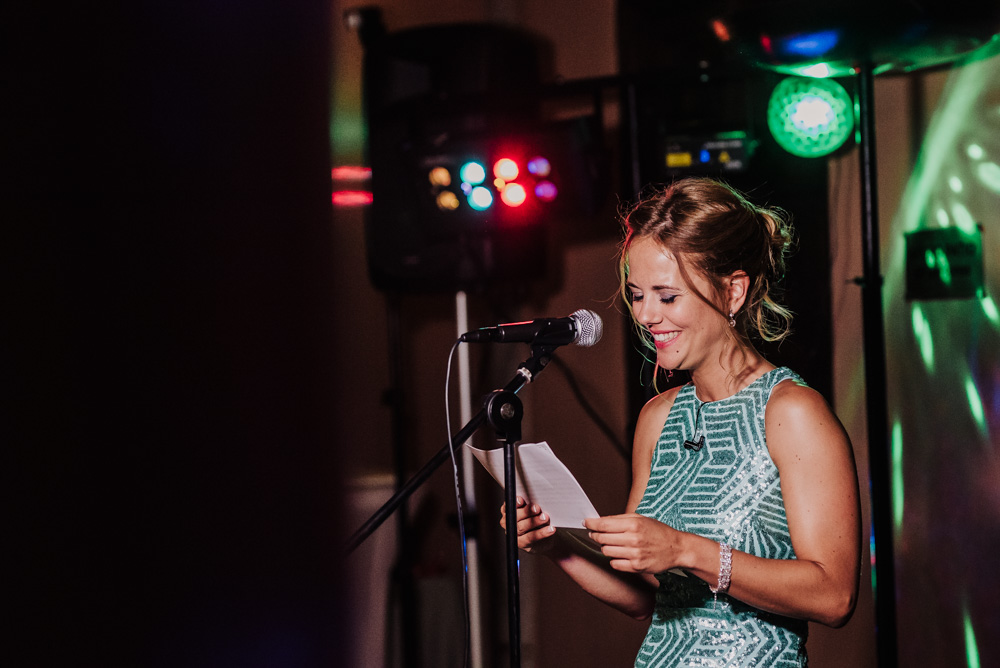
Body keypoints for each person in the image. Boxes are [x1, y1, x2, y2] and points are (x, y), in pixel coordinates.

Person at [501, 177, 861, 667]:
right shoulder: (658, 417)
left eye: (667, 297)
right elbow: (646, 598)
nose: (647, 315)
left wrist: (686, 550)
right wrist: (555, 546)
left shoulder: (792, 412)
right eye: (637, 295)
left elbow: (834, 596)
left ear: (733, 292)